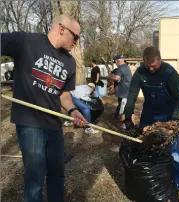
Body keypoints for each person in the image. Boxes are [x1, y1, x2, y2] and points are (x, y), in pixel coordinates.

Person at [1, 14, 88, 202]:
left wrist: (73, 110)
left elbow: (64, 95)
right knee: (35, 179)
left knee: (57, 175)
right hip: (30, 124)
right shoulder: (26, 41)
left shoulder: (69, 62)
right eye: (76, 37)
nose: (77, 42)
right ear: (62, 28)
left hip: (54, 125)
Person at [123, 46, 179, 202]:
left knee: (174, 152)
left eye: (154, 65)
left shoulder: (169, 74)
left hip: (168, 116)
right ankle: (150, 181)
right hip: (149, 115)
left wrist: (173, 120)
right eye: (148, 66)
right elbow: (131, 96)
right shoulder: (140, 73)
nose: (151, 69)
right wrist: (127, 118)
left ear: (160, 59)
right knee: (145, 146)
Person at [109, 55, 132, 119]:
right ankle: (117, 115)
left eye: (115, 62)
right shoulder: (126, 67)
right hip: (125, 90)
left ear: (117, 61)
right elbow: (117, 73)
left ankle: (124, 122)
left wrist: (110, 76)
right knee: (121, 104)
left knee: (123, 107)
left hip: (124, 91)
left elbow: (116, 78)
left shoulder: (121, 68)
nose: (115, 64)